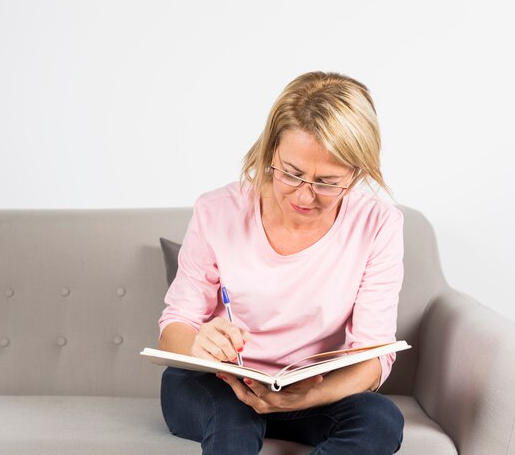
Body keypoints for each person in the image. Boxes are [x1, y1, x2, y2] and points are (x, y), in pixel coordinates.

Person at [158, 71, 405, 454]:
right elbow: (174, 330)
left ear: (356, 174)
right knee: (234, 417)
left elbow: (372, 357)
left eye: (327, 182)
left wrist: (299, 400)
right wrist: (197, 344)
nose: (305, 196)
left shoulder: (378, 224)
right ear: (271, 149)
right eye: (291, 173)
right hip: (215, 386)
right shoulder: (217, 211)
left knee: (381, 419)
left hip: (305, 394)